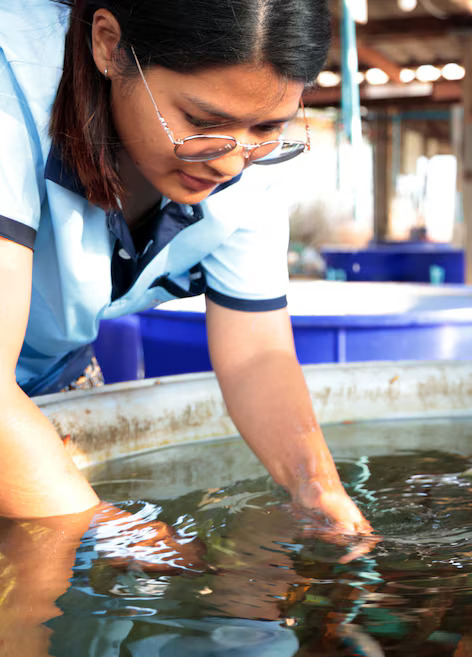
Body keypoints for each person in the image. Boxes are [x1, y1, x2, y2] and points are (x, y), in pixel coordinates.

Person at [0, 2, 374, 537]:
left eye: (268, 126)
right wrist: (120, 531)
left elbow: (257, 355)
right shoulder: (10, 89)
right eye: (202, 122)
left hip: (53, 378)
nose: (229, 162)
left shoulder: (251, 158)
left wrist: (315, 484)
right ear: (109, 45)